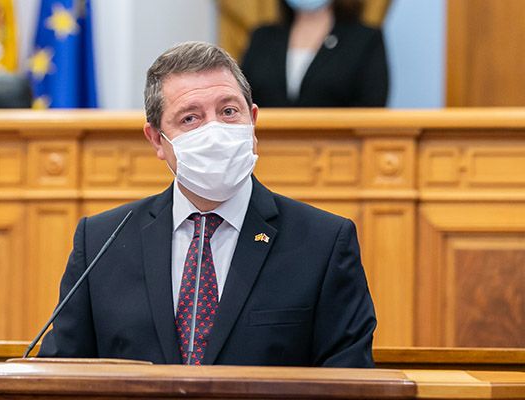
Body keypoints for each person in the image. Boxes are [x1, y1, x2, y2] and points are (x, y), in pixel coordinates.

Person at [38, 41, 376, 367]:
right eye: (190, 118)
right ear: (157, 140)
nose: (215, 132)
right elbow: (59, 374)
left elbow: (349, 379)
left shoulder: (324, 242)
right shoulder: (101, 242)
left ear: (253, 121)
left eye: (228, 111)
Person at [241, 0, 389, 107]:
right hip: (267, 140)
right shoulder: (262, 37)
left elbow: (372, 105)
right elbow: (242, 97)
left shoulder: (365, 39)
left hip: (337, 141)